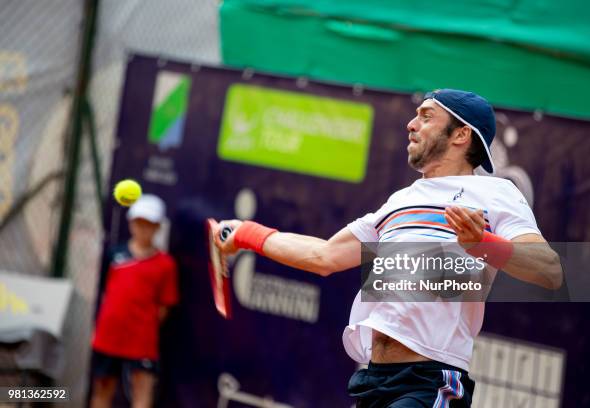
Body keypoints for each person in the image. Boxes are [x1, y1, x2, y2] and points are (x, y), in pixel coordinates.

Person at [213, 89, 562, 407]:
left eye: (426, 116)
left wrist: (483, 243)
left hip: (431, 381)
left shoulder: (495, 193)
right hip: (373, 381)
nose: (411, 124)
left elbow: (550, 270)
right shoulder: (400, 201)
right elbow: (324, 256)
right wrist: (246, 233)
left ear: (461, 134)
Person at [90, 194, 179, 408]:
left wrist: (141, 326)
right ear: (131, 223)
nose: (143, 229)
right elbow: (105, 292)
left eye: (149, 224)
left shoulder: (166, 265)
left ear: (158, 226)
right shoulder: (114, 255)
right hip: (108, 336)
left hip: (142, 341)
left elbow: (164, 307)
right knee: (102, 390)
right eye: (139, 222)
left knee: (142, 391)